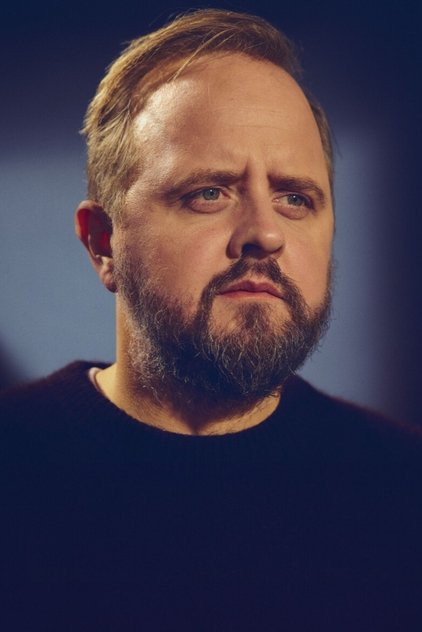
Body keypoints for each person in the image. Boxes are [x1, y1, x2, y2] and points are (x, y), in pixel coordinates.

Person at [1, 8, 421, 630]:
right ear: (103, 242)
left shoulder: (404, 488)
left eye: (295, 197)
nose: (265, 234)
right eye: (209, 193)